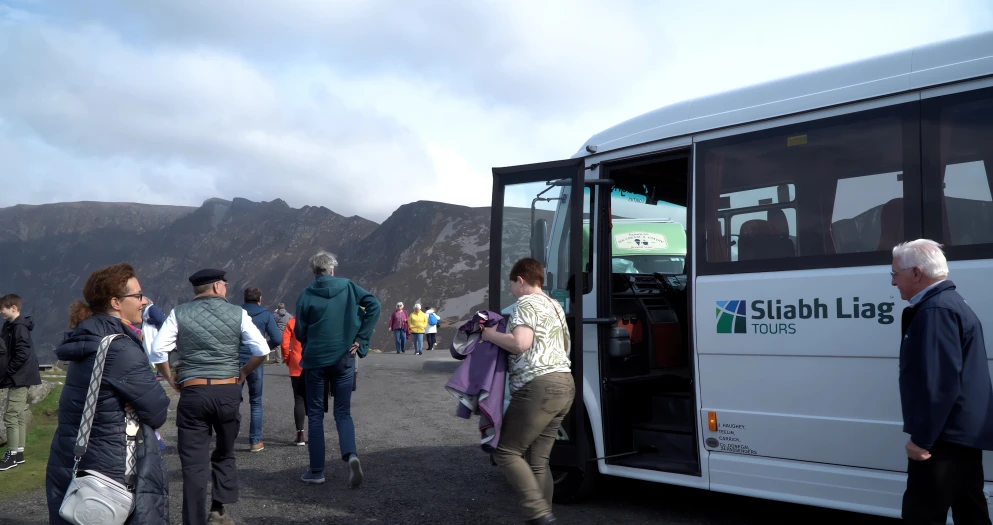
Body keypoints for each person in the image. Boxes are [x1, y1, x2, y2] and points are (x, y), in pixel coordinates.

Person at [45, 263, 171, 524]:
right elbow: (157, 410)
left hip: (75, 459)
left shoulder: (88, 339)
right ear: (116, 302)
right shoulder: (119, 348)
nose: (143, 301)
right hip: (110, 467)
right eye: (137, 295)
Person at [150, 269, 270, 525]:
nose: (226, 288)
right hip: (227, 390)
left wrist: (171, 379)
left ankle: (193, 521)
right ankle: (218, 508)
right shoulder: (238, 314)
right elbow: (262, 350)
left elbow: (158, 351)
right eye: (224, 284)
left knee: (193, 465)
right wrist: (243, 372)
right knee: (225, 452)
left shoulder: (178, 314)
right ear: (216, 287)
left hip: (193, 393)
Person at [892, 240, 993, 525]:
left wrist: (921, 440)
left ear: (916, 273)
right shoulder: (948, 304)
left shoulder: (935, 310)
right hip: (961, 434)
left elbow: (939, 384)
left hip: (941, 440)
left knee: (921, 515)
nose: (893, 282)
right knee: (971, 512)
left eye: (895, 274)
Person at [480, 258, 574, 525]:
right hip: (565, 384)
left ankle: (539, 513)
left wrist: (489, 335)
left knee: (506, 452)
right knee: (537, 461)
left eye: (512, 285)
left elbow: (520, 343)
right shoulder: (554, 305)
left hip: (539, 387)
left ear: (520, 280)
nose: (512, 290)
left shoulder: (526, 302)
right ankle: (545, 514)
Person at [294, 251, 380, 487]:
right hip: (344, 358)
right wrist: (361, 339)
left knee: (316, 415)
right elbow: (374, 305)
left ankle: (316, 471)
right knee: (343, 412)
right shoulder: (349, 287)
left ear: (314, 271)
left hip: (315, 361)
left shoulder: (306, 294)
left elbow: (299, 331)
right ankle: (351, 455)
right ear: (332, 269)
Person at [0, 294, 41, 471]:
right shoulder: (11, 326)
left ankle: (11, 455)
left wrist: (8, 370)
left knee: (10, 416)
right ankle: (19, 453)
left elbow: (22, 354)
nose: (0, 311)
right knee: (18, 416)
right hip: (20, 375)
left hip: (19, 376)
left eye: (2, 308)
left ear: (13, 308)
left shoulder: (19, 328)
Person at [241, 286, 282, 452]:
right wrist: (264, 348)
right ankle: (255, 441)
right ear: (260, 299)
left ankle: (227, 439)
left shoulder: (236, 313)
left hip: (236, 361)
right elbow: (277, 338)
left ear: (244, 299)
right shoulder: (265, 315)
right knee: (256, 401)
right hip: (256, 360)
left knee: (232, 401)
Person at [281, 315, 306, 446]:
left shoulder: (292, 322)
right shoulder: (316, 318)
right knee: (315, 399)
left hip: (297, 363)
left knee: (299, 398)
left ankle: (300, 434)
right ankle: (316, 433)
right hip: (315, 362)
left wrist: (288, 359)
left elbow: (285, 344)